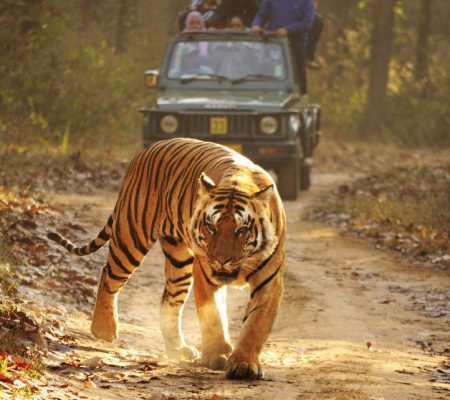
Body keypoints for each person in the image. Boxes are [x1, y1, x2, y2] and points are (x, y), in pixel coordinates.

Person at [252, 0, 314, 96]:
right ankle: (271, 98)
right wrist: (256, 24)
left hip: (295, 47)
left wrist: (288, 30)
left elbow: (307, 22)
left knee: (298, 78)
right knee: (275, 72)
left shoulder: (306, 2)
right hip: (274, 45)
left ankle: (301, 99)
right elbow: (261, 14)